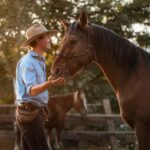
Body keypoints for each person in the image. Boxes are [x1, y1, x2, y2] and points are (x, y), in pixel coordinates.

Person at [15, 24, 65, 150]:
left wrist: (48, 82)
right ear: (38, 40)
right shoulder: (28, 62)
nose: (49, 40)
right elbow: (31, 91)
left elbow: (37, 87)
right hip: (30, 114)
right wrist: (49, 84)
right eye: (46, 37)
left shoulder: (39, 60)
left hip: (35, 112)